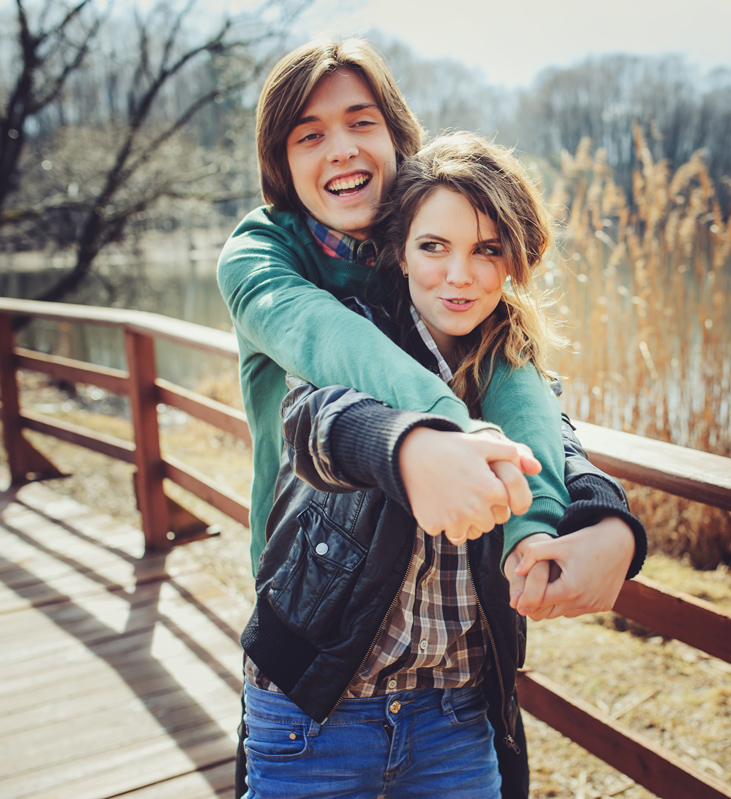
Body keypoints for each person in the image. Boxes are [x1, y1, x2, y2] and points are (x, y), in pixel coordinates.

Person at [217, 38, 646, 796]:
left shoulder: (434, 261)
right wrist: (440, 429)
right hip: (312, 622)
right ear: (280, 163)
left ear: (396, 135)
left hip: (450, 692)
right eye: (309, 134)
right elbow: (318, 400)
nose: (342, 148)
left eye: (361, 121)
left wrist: (601, 519)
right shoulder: (262, 257)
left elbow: (530, 404)